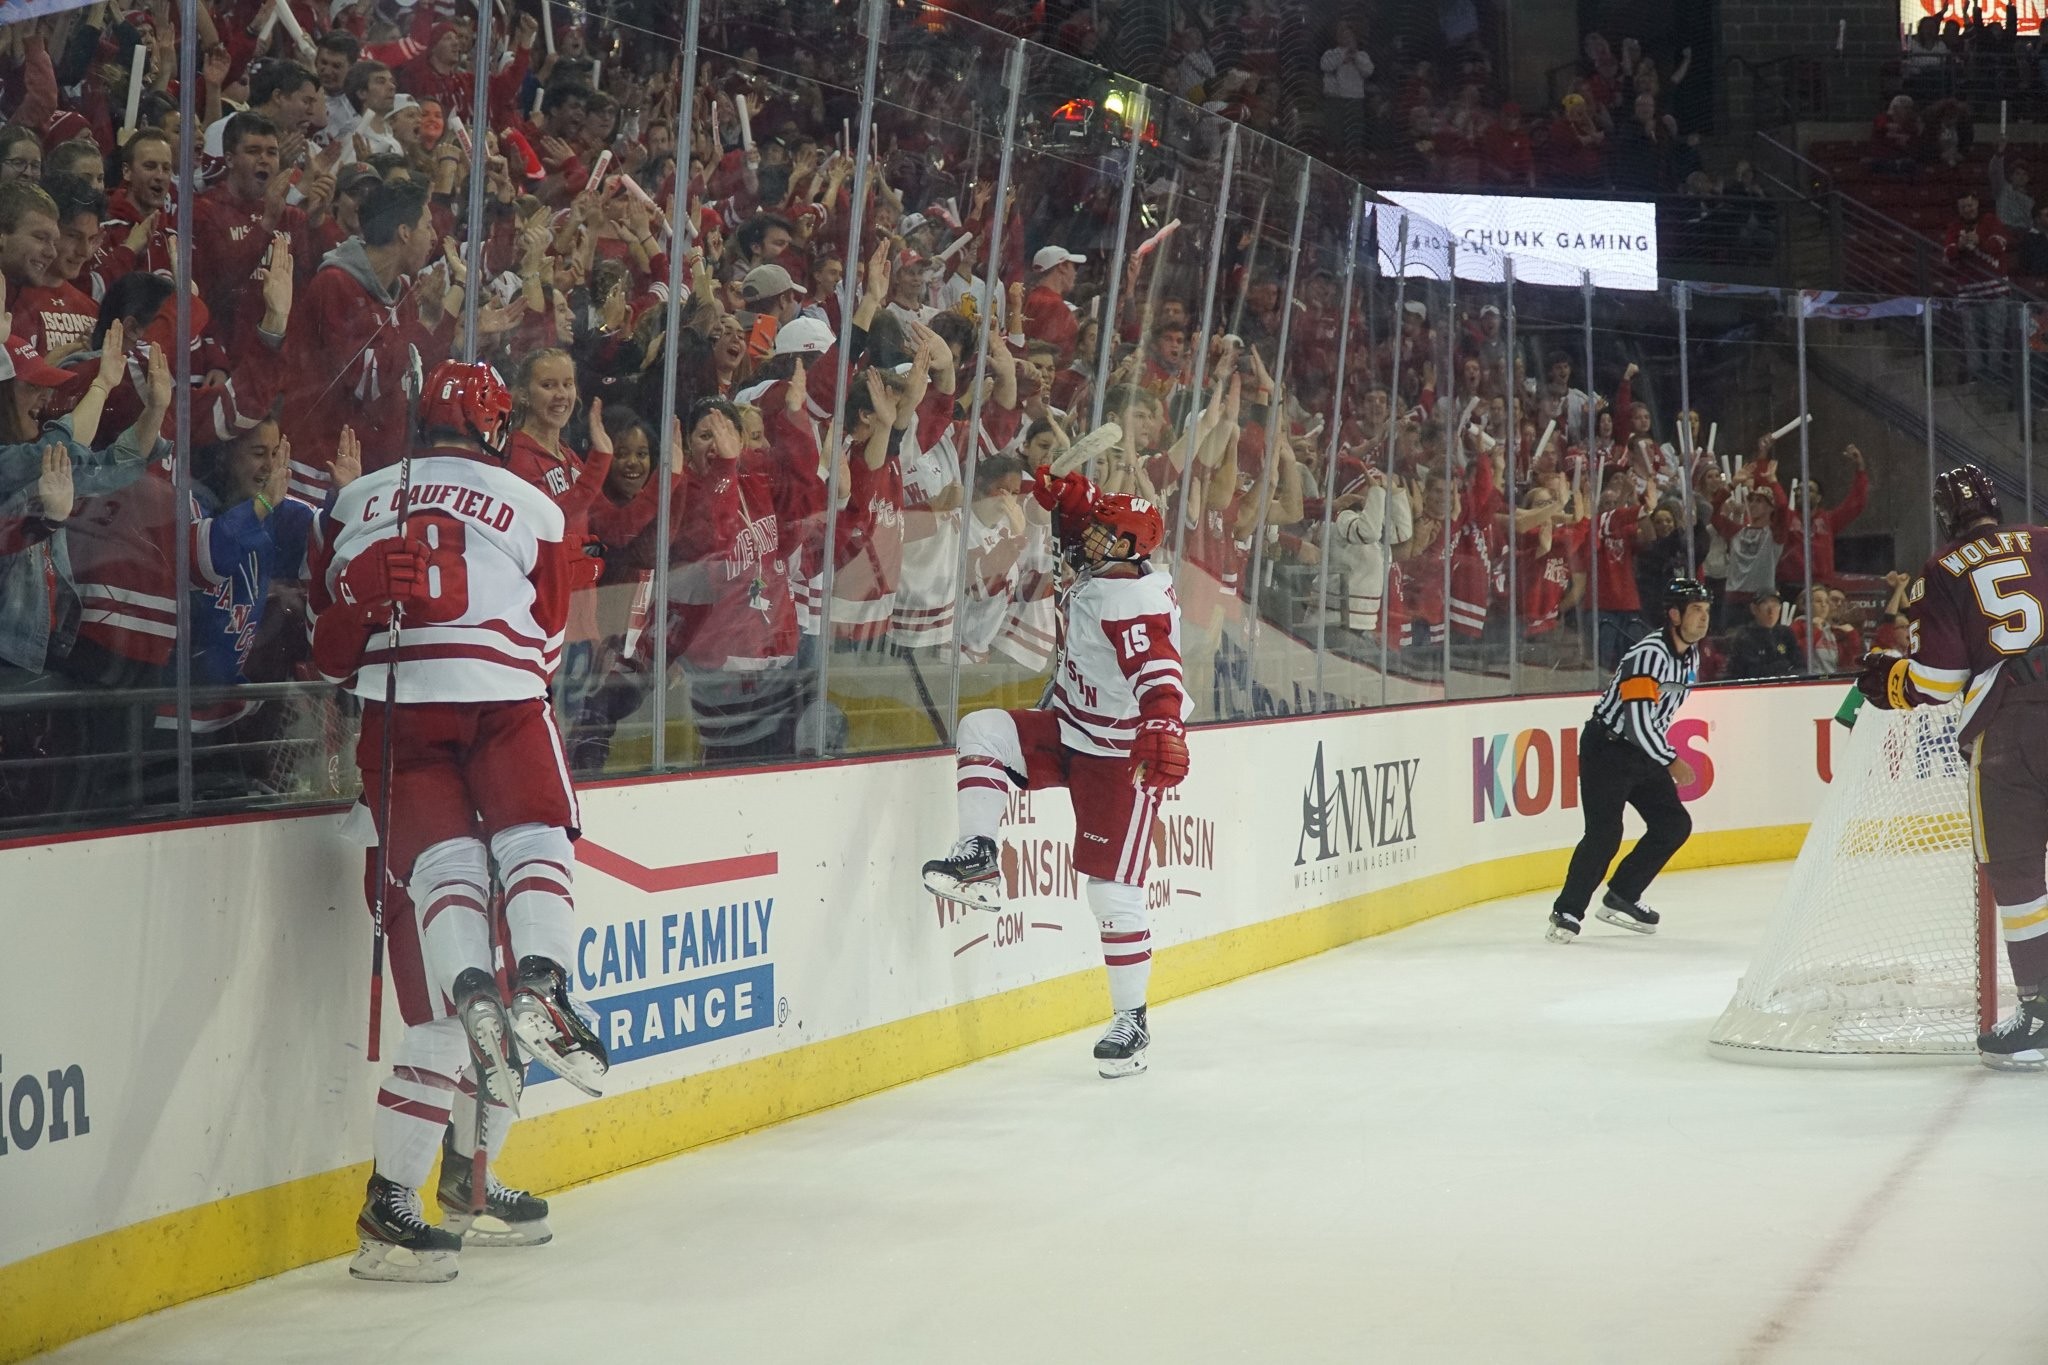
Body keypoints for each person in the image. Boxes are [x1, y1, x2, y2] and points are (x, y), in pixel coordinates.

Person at [308, 359, 609, 1282]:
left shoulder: (354, 501)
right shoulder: (531, 502)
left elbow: (325, 657)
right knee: (462, 1010)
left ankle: (463, 1185)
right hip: (499, 717)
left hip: (401, 755)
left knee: (461, 1005)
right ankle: (396, 1200)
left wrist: (361, 598)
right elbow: (551, 648)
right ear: (493, 427)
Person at [921, 467, 1189, 1079]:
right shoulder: (1114, 569)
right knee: (983, 731)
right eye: (1093, 532)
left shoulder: (1133, 601)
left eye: (1102, 535)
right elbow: (1080, 534)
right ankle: (979, 856)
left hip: (1121, 757)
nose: (1087, 542)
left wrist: (1165, 726)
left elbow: (1160, 675)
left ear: (1129, 549)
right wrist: (1074, 501)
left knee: (1112, 892)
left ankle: (1132, 1019)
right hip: (1070, 727)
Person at [1856, 465, 2048, 1069]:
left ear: (1943, 515)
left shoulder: (1941, 569)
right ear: (1996, 501)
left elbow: (1937, 681)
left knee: (2017, 876)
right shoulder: (2043, 538)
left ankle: (2041, 1010)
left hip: (2011, 726)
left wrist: (1887, 679)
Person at [1548, 577, 1711, 943]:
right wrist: (1671, 759)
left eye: (1706, 611)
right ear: (1674, 614)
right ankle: (1567, 912)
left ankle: (1623, 894)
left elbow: (1655, 720)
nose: (1703, 618)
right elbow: (1637, 722)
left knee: (1672, 824)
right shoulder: (1647, 655)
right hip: (1608, 749)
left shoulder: (1691, 655)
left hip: (1642, 751)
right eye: (1696, 611)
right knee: (1605, 834)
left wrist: (1660, 756)